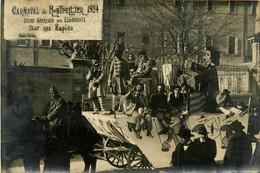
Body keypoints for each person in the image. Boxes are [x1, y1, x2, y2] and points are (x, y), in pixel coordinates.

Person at [40, 86, 70, 173]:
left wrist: (47, 117)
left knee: (54, 125)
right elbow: (50, 111)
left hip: (61, 120)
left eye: (53, 93)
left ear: (57, 92)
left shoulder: (60, 100)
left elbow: (56, 111)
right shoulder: (52, 101)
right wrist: (44, 116)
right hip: (54, 118)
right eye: (51, 93)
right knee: (46, 125)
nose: (52, 94)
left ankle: (56, 138)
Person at [187, 47, 220, 112]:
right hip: (207, 96)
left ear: (212, 57)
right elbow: (204, 70)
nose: (205, 57)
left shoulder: (212, 69)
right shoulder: (210, 67)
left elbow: (205, 75)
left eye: (208, 55)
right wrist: (192, 65)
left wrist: (194, 80)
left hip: (209, 98)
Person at [108, 45, 130, 111]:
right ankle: (113, 108)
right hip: (115, 79)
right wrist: (109, 81)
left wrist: (128, 80)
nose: (118, 54)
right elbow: (110, 71)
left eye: (119, 53)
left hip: (123, 79)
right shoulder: (113, 61)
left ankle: (124, 109)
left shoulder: (125, 61)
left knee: (124, 94)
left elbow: (127, 72)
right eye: (117, 53)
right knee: (114, 94)